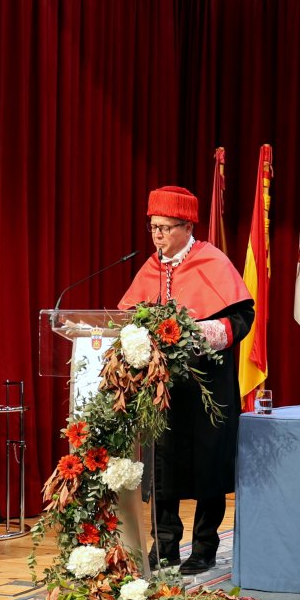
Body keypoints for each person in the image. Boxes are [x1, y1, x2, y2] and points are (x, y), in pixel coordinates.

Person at [118, 185, 253, 574]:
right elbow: (129, 316)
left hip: (207, 383)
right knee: (161, 465)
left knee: (208, 463)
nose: (158, 236)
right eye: (153, 227)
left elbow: (242, 317)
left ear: (187, 226)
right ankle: (165, 545)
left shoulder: (212, 261)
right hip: (163, 387)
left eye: (165, 228)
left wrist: (201, 332)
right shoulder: (150, 267)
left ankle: (205, 546)